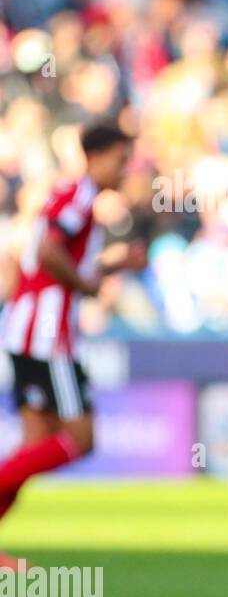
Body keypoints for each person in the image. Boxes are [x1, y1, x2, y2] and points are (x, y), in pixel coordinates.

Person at [0, 121, 146, 556]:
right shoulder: (80, 195)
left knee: (33, 447)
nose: (124, 172)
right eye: (121, 161)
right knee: (81, 439)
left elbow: (61, 260)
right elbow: (48, 254)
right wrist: (85, 287)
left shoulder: (73, 197)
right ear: (97, 156)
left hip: (29, 330)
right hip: (48, 335)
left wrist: (111, 267)